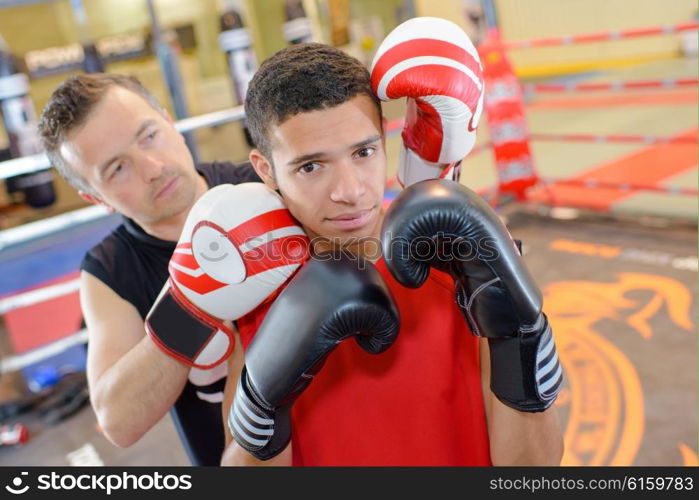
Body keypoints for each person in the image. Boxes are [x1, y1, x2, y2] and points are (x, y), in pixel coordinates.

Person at [221, 19, 564, 466]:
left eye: (363, 153)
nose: (351, 190)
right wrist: (262, 404)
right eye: (311, 167)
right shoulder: (252, 291)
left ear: (385, 139)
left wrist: (521, 337)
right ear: (265, 170)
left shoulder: (458, 263)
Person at [37, 73, 260, 466]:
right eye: (117, 169)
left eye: (148, 136)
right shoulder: (110, 272)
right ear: (96, 198)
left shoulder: (264, 184)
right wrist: (194, 294)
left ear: (169, 122)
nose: (153, 168)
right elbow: (117, 422)